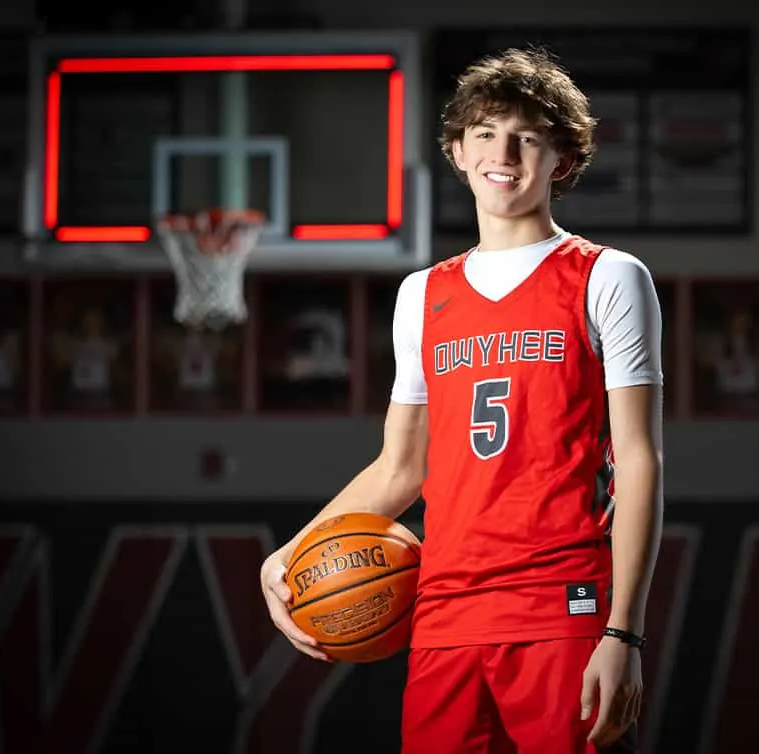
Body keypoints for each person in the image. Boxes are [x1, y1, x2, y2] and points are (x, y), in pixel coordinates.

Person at [260, 47, 663, 754]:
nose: (502, 153)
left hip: (560, 605)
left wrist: (623, 630)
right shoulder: (423, 295)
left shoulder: (608, 278)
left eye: (527, 137)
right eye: (484, 133)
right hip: (445, 611)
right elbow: (398, 469)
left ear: (562, 160)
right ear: (455, 151)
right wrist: (292, 554)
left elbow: (639, 461)